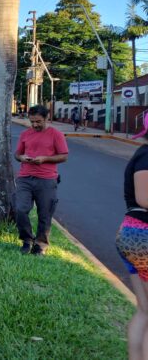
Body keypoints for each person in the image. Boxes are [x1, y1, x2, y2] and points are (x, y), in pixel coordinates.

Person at [14, 105, 69, 255]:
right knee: (20, 209)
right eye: (32, 121)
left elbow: (64, 156)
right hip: (25, 178)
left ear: (46, 118)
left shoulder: (56, 134)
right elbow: (17, 154)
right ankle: (27, 239)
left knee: (45, 214)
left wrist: (45, 159)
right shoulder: (25, 134)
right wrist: (22, 157)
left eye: (38, 121)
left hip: (46, 179)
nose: (35, 125)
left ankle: (40, 245)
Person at [115, 112, 148, 359]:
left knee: (145, 311)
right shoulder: (146, 156)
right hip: (142, 236)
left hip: (134, 234)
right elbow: (144, 198)